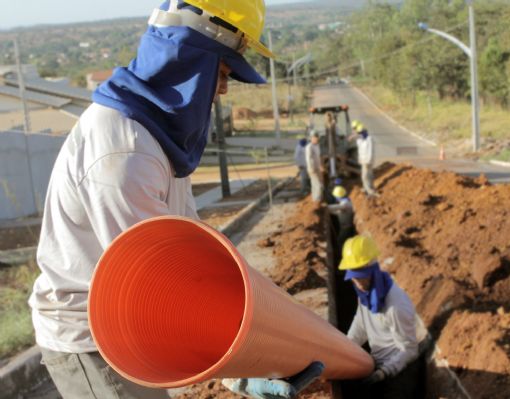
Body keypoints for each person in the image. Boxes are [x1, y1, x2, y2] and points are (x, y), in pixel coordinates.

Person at [28, 1, 313, 398]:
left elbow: (189, 246)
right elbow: (162, 284)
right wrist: (243, 360)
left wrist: (252, 344)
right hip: (94, 343)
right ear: (191, 63)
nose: (223, 90)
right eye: (224, 72)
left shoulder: (152, 132)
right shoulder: (125, 154)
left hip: (125, 331)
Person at [340, 235, 419, 399]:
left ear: (373, 269)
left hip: (399, 372)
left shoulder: (395, 305)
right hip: (377, 365)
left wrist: (383, 373)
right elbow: (361, 323)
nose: (358, 282)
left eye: (362, 275)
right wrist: (346, 346)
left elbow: (410, 350)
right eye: (354, 276)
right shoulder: (364, 293)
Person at [350, 121, 376, 196]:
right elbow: (357, 137)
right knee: (368, 175)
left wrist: (368, 161)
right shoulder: (360, 139)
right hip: (364, 160)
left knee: (365, 176)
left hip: (367, 161)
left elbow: (370, 151)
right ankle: (367, 188)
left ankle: (370, 191)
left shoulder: (369, 140)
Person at [305, 129, 324, 202]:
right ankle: (317, 201)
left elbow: (318, 157)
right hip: (312, 169)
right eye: (315, 137)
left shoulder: (317, 146)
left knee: (316, 185)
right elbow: (308, 159)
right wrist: (311, 169)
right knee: (318, 186)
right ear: (311, 138)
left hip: (318, 168)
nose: (317, 138)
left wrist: (320, 166)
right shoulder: (309, 147)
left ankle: (316, 199)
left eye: (317, 137)